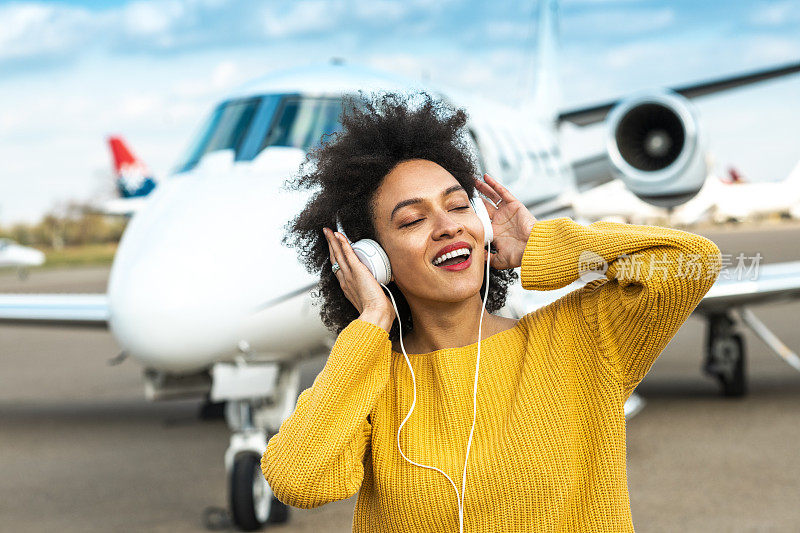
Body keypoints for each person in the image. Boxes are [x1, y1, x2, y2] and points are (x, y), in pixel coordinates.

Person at [262, 91, 722, 532]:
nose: (447, 227)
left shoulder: (578, 340)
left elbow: (691, 262)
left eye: (459, 205)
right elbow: (299, 478)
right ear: (372, 259)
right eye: (412, 220)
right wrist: (371, 323)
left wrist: (543, 246)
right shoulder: (372, 380)